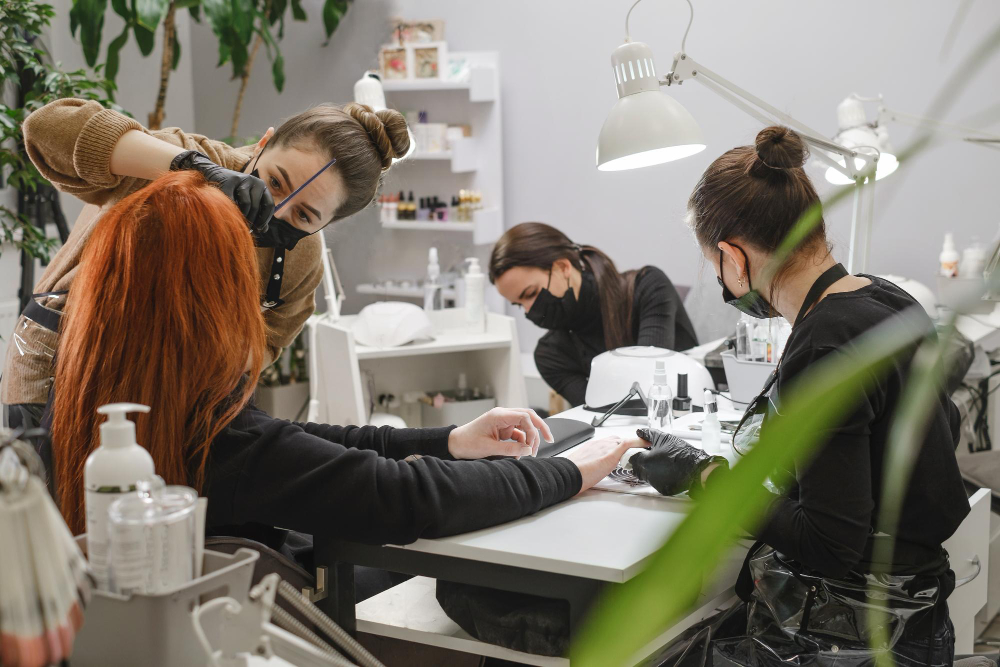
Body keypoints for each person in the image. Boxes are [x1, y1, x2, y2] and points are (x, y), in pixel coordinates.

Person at [44, 171, 636, 593]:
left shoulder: (94, 405)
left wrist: (451, 440)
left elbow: (299, 441)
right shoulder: (220, 441)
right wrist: (569, 470)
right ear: (207, 304)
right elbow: (405, 495)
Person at [631, 127, 969, 665]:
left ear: (733, 258)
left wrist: (706, 477)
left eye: (715, 266)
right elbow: (940, 426)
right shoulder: (888, 298)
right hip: (916, 609)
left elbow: (828, 544)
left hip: (856, 630)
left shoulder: (825, 342)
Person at [4, 97, 409, 430]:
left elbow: (269, 340)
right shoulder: (191, 159)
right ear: (263, 144)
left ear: (328, 223)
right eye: (275, 182)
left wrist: (210, 349)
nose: (277, 210)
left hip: (166, 396)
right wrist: (189, 168)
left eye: (304, 215)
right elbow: (46, 128)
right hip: (59, 364)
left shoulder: (302, 259)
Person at [489, 222, 698, 407]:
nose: (528, 310)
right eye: (519, 305)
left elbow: (647, 387)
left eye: (531, 293)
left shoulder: (649, 288)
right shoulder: (550, 356)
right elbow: (598, 413)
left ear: (562, 267)